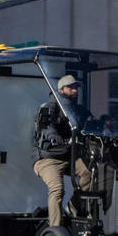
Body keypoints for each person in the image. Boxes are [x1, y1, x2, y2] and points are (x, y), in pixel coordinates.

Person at [32, 74, 92, 227]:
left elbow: (92, 123)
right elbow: (47, 128)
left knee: (89, 174)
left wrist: (106, 126)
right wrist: (54, 137)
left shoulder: (78, 110)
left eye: (76, 87)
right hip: (48, 159)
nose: (75, 90)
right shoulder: (48, 108)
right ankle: (55, 229)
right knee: (57, 189)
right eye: (71, 87)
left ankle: (74, 205)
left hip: (70, 156)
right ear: (60, 90)